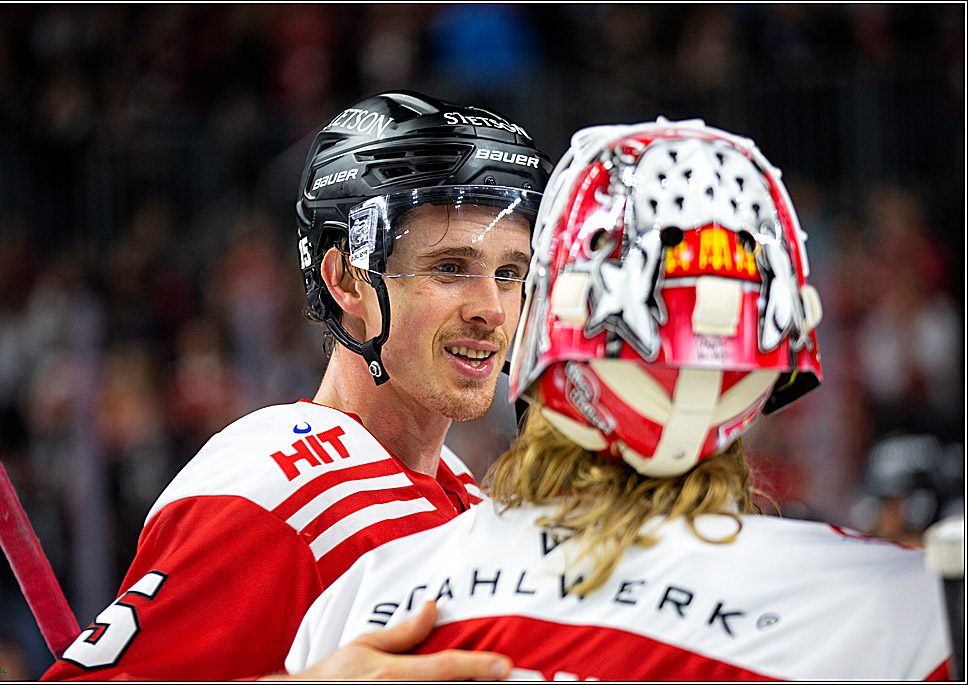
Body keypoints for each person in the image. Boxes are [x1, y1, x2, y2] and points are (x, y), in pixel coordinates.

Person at [284, 119, 953, 680]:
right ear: (780, 325)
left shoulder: (372, 598)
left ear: (546, 312)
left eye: (511, 273)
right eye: (453, 267)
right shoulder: (906, 606)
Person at [41, 90, 551, 681]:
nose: (493, 309)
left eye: (509, 272)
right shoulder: (275, 494)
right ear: (347, 281)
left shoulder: (461, 491)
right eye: (449, 268)